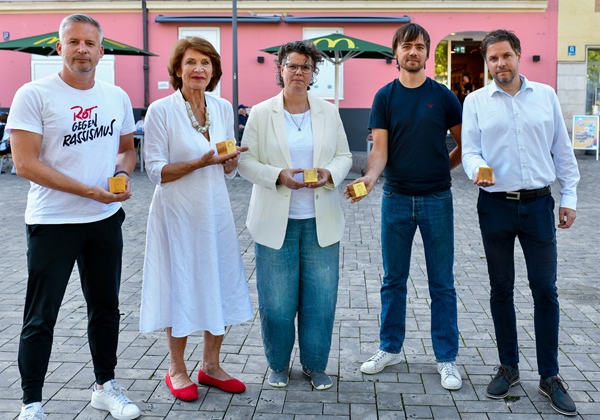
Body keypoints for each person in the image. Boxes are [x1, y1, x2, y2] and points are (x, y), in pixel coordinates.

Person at [7, 14, 140, 420]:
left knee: (105, 307)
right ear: (58, 47)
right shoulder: (34, 94)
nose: (82, 49)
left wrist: (119, 175)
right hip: (53, 222)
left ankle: (105, 386)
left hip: (104, 219)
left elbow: (127, 151)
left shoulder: (116, 96)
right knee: (41, 314)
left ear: (102, 50)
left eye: (90, 43)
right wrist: (87, 190)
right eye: (73, 42)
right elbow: (25, 164)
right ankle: (31, 403)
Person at [461, 29, 580, 416]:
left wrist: (570, 197)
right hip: (494, 206)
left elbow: (562, 150)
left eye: (506, 56)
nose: (501, 64)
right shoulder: (477, 101)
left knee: (545, 290)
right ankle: (509, 367)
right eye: (493, 58)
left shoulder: (545, 95)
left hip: (539, 205)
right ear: (487, 62)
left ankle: (550, 376)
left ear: (519, 55)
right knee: (501, 289)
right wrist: (478, 168)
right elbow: (471, 149)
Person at [345, 23, 463, 391]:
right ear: (395, 54)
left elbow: (465, 146)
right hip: (394, 200)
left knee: (441, 284)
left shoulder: (443, 96)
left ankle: (446, 358)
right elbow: (378, 151)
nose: (413, 52)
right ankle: (389, 348)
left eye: (419, 46)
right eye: (406, 46)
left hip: (437, 200)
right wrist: (369, 179)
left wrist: (441, 167)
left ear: (428, 53)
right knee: (392, 280)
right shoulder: (384, 97)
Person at [140, 36, 253, 403]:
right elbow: (155, 171)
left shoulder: (222, 108)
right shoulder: (161, 110)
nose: (199, 69)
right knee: (181, 283)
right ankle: (177, 369)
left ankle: (211, 365)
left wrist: (231, 162)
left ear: (214, 71)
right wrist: (200, 162)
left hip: (214, 210)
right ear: (177, 69)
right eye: (191, 62)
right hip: (176, 212)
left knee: (216, 281)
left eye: (206, 63)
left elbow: (227, 167)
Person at [238, 40, 352, 391]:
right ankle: (277, 365)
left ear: (313, 73)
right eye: (292, 66)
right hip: (275, 223)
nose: (299, 72)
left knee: (320, 301)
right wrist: (278, 175)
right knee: (277, 303)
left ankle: (316, 365)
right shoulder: (260, 112)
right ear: (281, 70)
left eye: (306, 67)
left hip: (321, 222)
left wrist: (330, 173)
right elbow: (244, 161)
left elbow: (345, 155)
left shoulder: (328, 112)